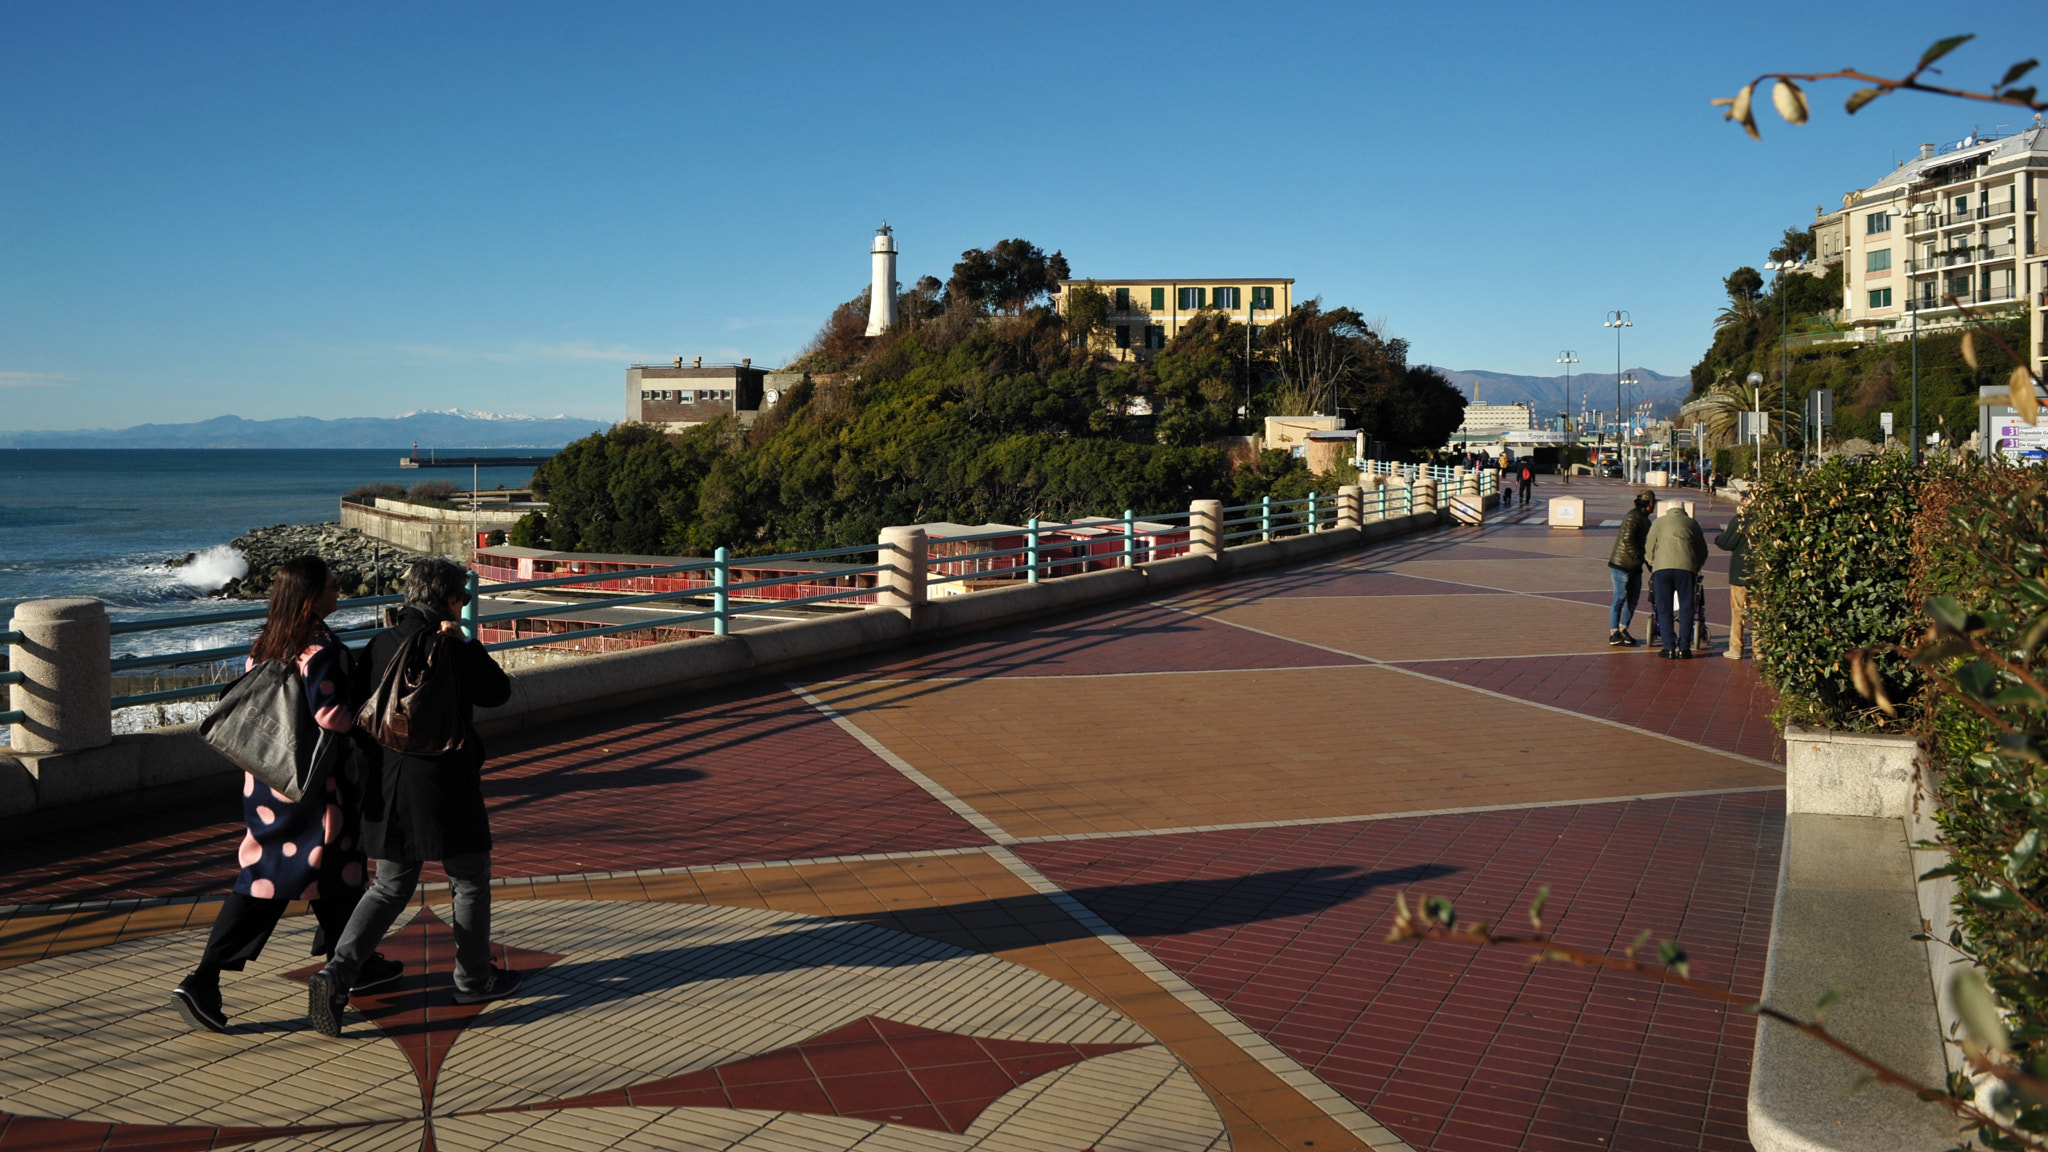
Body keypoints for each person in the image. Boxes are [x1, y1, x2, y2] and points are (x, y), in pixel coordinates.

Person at [172, 556, 400, 1033]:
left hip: (269, 778)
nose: (340, 591)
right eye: (333, 585)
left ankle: (355, 963)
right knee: (272, 879)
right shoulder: (322, 649)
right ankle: (204, 978)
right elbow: (329, 716)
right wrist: (372, 714)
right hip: (316, 787)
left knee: (334, 873)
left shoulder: (266, 644)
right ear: (312, 597)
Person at [308, 559, 515, 1038]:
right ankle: (472, 979)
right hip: (447, 783)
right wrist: (465, 642)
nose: (463, 607)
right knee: (469, 879)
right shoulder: (450, 645)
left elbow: (359, 716)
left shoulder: (379, 644)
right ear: (448, 601)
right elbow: (498, 692)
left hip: (388, 785)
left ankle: (337, 972)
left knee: (389, 886)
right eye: (461, 599)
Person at [1644, 501, 1709, 659]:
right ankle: (1685, 648)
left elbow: (1649, 545)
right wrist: (1697, 564)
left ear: (1668, 510)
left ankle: (1669, 647)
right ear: (1683, 510)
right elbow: (1702, 549)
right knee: (1687, 608)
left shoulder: (1658, 522)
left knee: (1664, 608)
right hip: (1686, 569)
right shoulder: (1691, 523)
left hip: (1662, 569)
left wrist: (1651, 560)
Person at [1607, 491, 1653, 647]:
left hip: (1635, 567)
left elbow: (1647, 545)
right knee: (1619, 598)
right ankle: (1614, 632)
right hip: (1622, 565)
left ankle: (1623, 628)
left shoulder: (1646, 521)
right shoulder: (1633, 516)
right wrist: (1639, 557)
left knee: (1632, 600)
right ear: (1650, 503)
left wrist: (1649, 563)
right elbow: (1627, 538)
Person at [1716, 492, 1752, 659]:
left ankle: (1736, 648)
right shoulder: (1767, 520)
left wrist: (1718, 538)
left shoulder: (1740, 520)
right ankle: (1759, 649)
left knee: (1738, 611)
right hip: (1761, 573)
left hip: (1740, 572)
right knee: (1759, 612)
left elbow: (1726, 542)